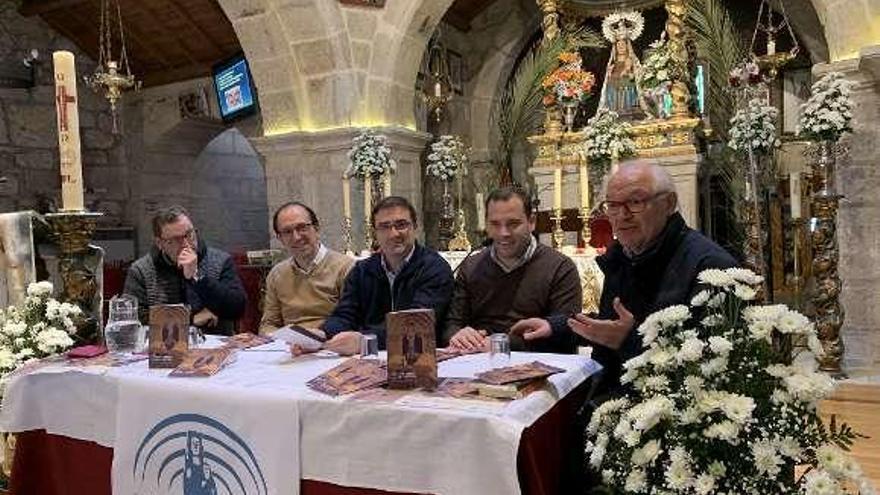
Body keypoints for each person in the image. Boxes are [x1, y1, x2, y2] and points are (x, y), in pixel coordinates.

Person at [566, 163, 737, 390]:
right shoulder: (622, 256)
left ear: (668, 203)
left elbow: (711, 363)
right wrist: (555, 326)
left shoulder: (712, 267)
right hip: (615, 395)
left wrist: (628, 340)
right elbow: (613, 325)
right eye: (613, 205)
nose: (622, 215)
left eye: (635, 202)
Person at [444, 186, 582, 353]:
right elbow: (451, 323)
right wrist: (458, 335)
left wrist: (499, 344)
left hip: (536, 364)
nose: (503, 233)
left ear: (531, 222)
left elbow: (565, 333)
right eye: (495, 224)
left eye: (513, 224)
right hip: (477, 360)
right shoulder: (471, 266)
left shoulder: (560, 267)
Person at [320, 196, 454, 355]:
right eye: (384, 226)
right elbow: (345, 314)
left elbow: (417, 324)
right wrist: (322, 334)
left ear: (415, 226)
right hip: (369, 360)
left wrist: (365, 340)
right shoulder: (362, 271)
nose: (393, 234)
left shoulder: (434, 268)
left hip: (419, 357)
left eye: (401, 225)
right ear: (374, 232)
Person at [124, 205, 246, 335]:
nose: (186, 244)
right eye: (176, 240)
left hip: (215, 345)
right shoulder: (141, 270)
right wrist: (189, 319)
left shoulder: (221, 261)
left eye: (189, 234)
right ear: (160, 244)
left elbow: (237, 308)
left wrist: (197, 277)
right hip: (164, 348)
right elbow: (133, 319)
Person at [259, 202, 354, 334]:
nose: (296, 237)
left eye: (302, 227)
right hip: (290, 347)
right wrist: (279, 339)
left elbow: (352, 320)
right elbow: (269, 324)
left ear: (316, 228)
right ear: (280, 238)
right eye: (287, 232)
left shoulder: (345, 268)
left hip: (330, 343)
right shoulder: (277, 274)